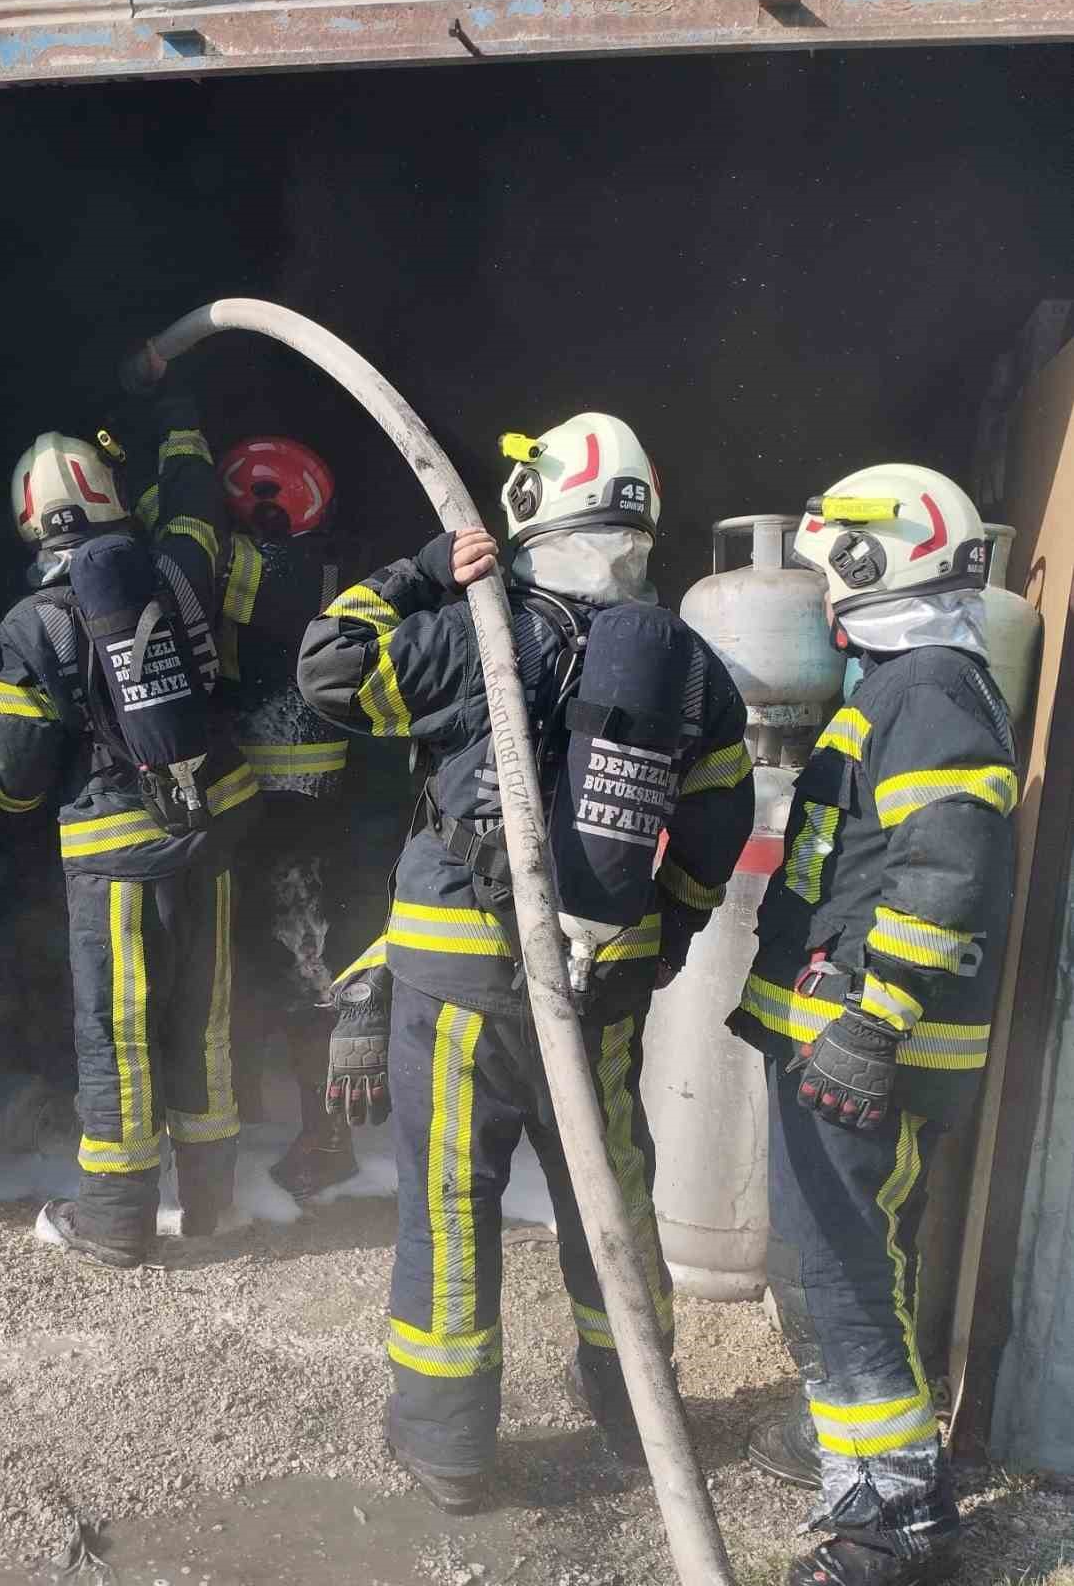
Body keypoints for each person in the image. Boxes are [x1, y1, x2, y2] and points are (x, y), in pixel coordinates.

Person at [296, 413, 754, 1513]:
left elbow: (328, 669)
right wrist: (660, 938)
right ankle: (637, 1412)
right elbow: (716, 823)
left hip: (459, 985)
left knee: (452, 1204)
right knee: (615, 1199)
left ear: (530, 511)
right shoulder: (689, 664)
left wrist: (414, 572)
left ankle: (451, 1448)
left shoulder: (470, 631)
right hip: (604, 987)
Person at [727, 466, 1019, 1586]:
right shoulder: (908, 680)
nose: (820, 589)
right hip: (846, 1036)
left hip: (865, 1046)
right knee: (852, 1264)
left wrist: (872, 1021)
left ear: (873, 558)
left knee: (838, 1267)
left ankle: (889, 1522)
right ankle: (848, 1447)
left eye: (831, 563)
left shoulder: (930, 686)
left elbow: (947, 868)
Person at [0, 403, 260, 1268]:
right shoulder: (178, 568)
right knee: (202, 1018)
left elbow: (24, 761)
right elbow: (192, 511)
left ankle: (113, 1221)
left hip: (111, 855)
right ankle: (215, 1204)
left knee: (118, 1034)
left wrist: (12, 811)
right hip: (206, 830)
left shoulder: (32, 621)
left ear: (29, 519)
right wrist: (179, 419)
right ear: (111, 497)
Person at [203, 435, 369, 1198]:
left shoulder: (284, 568)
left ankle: (327, 1138)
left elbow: (198, 566)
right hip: (281, 806)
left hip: (290, 813)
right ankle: (294, 1119)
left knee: (308, 971)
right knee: (280, 966)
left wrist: (179, 500)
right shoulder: (323, 559)